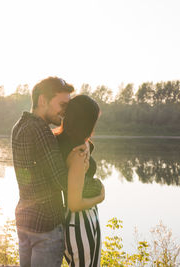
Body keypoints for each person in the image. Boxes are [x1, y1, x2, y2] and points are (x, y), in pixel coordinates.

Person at [11, 77, 92, 267]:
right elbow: (62, 181)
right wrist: (79, 165)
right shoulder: (41, 131)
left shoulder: (19, 125)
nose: (65, 112)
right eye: (62, 105)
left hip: (25, 221)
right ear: (42, 101)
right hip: (45, 227)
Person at [54, 95, 105, 267]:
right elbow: (75, 203)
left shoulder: (70, 144)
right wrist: (100, 198)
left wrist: (87, 147)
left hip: (80, 223)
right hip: (81, 224)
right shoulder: (77, 153)